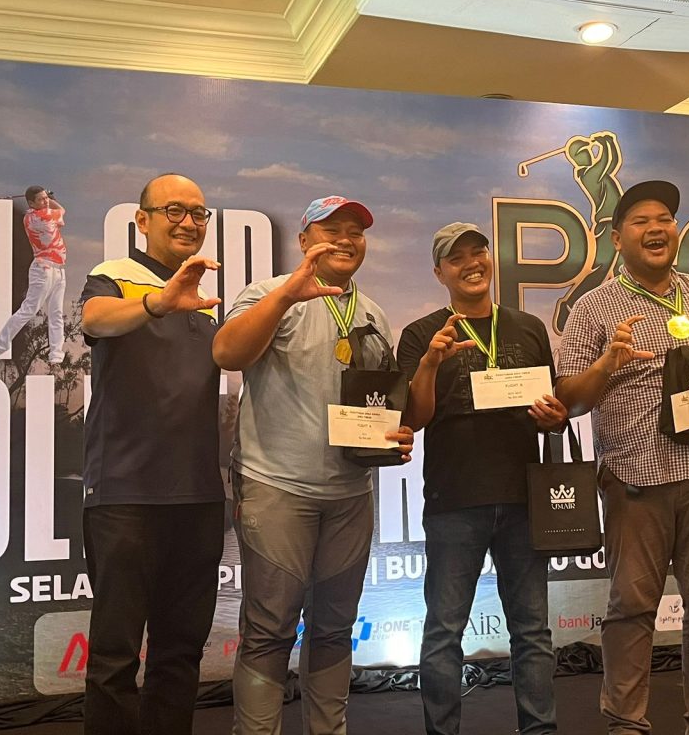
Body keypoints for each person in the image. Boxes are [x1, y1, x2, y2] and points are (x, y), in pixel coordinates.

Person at [555, 180, 689, 735]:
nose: (656, 228)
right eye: (641, 220)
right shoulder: (593, 307)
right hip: (636, 479)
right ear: (617, 238)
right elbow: (568, 398)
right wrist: (607, 363)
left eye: (665, 218)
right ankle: (626, 724)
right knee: (631, 607)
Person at [212, 195, 415, 735]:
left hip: (350, 494)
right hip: (276, 487)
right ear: (304, 240)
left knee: (334, 628)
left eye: (356, 231)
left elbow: (376, 403)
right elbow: (227, 353)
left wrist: (391, 436)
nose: (346, 239)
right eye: (331, 229)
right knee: (269, 629)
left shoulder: (372, 313)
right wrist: (285, 297)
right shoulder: (267, 293)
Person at [397, 222, 566, 735]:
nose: (472, 263)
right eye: (457, 258)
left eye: (479, 252)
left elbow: (552, 407)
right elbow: (414, 417)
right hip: (454, 499)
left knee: (533, 632)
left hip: (523, 498)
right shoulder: (421, 334)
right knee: (444, 633)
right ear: (439, 273)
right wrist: (431, 362)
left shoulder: (528, 328)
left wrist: (555, 416)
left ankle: (540, 730)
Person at [79, 173, 226, 735]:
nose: (189, 222)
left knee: (180, 653)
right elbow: (93, 319)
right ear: (142, 220)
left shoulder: (206, 296)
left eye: (199, 212)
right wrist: (159, 302)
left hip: (198, 496)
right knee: (114, 657)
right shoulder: (114, 275)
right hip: (124, 494)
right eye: (174, 210)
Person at [0, 185, 67, 364]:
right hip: (44, 269)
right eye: (41, 199)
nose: (45, 201)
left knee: (56, 313)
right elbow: (62, 211)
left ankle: (56, 353)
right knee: (28, 310)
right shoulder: (41, 217)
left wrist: (47, 199)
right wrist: (52, 199)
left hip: (58, 269)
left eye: (45, 198)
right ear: (31, 203)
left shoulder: (30, 216)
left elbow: (57, 214)